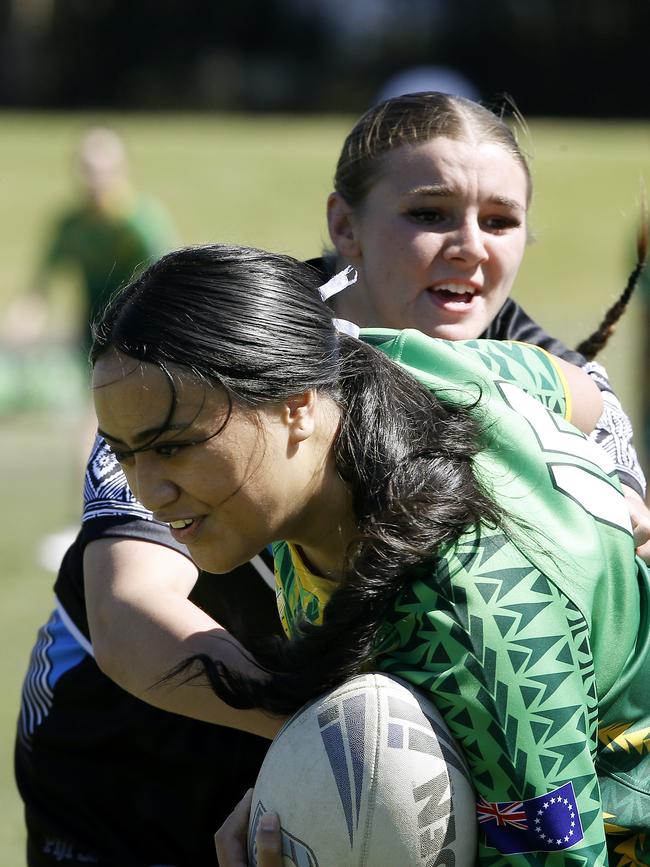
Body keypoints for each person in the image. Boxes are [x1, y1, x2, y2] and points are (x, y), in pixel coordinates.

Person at [15, 92, 649, 866]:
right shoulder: (224, 350)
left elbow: (583, 431)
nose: (470, 246)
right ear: (343, 225)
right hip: (132, 753)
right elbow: (130, 618)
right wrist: (340, 743)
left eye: (501, 220)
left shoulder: (485, 360)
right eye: (429, 213)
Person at [4, 126, 177, 355]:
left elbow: (169, 285)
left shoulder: (141, 225)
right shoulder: (71, 225)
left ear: (123, 170)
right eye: (87, 170)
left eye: (104, 171)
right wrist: (20, 324)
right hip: (90, 335)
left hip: (136, 336)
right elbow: (40, 289)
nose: (94, 180)